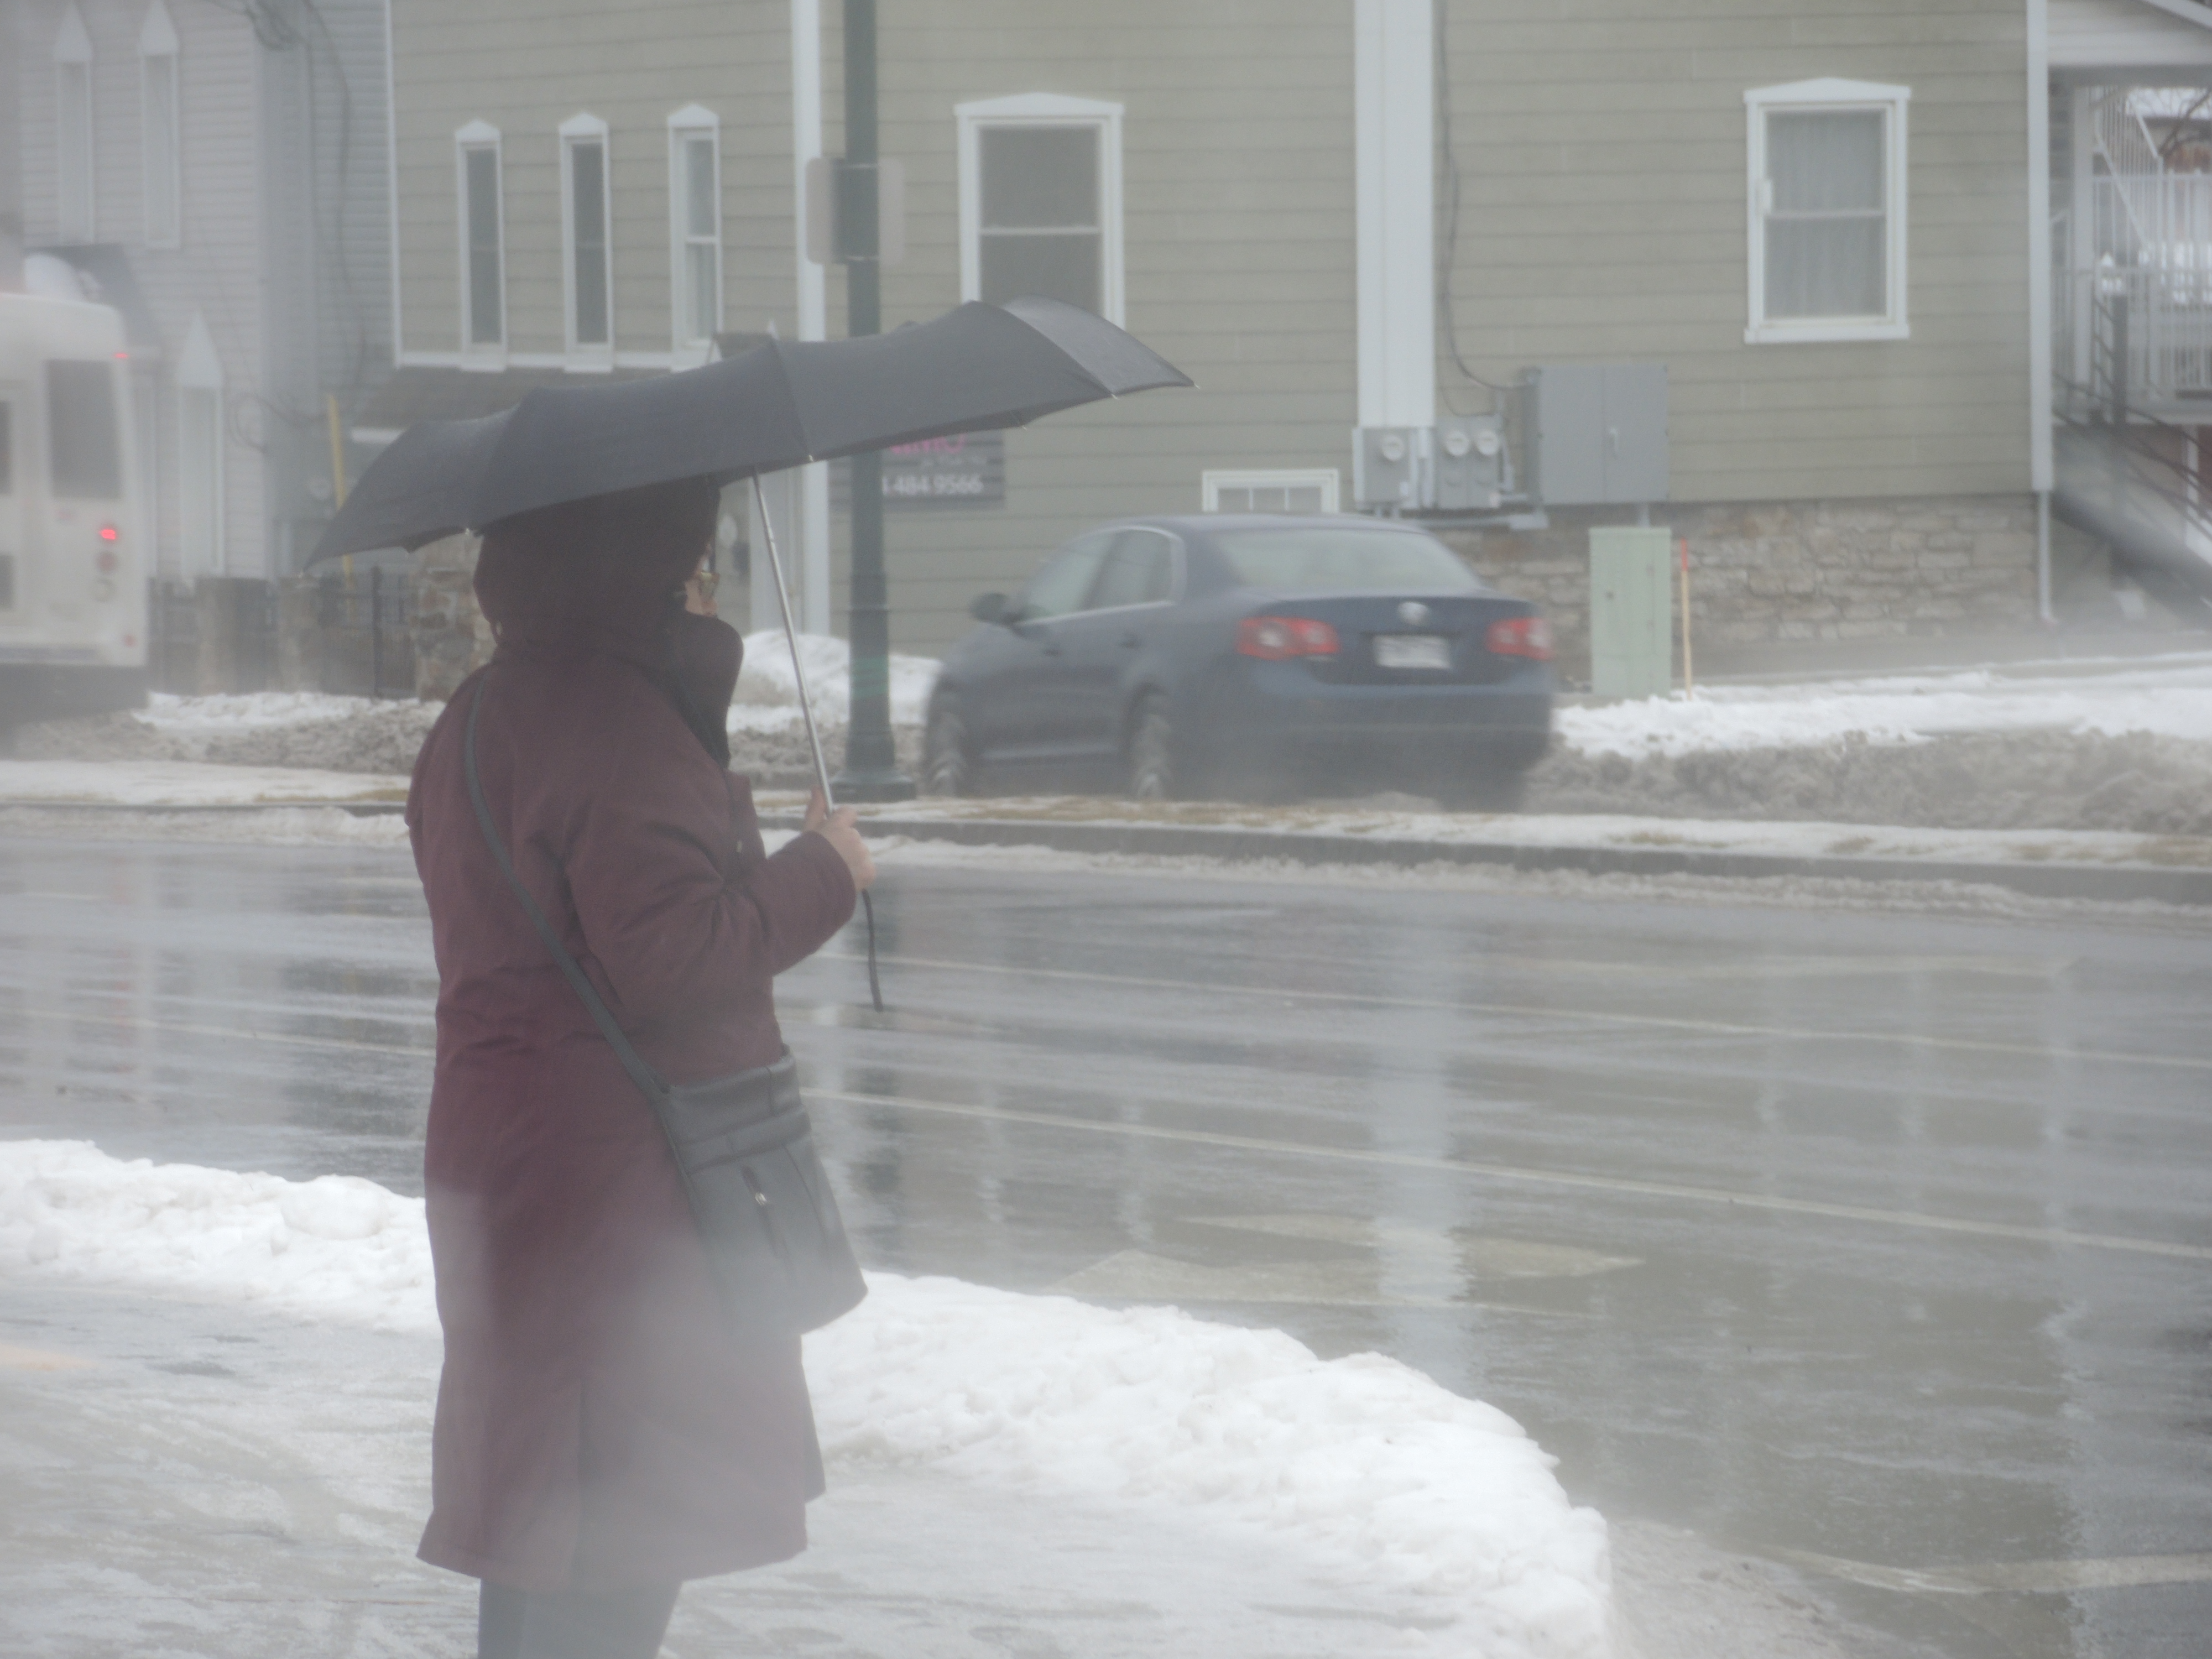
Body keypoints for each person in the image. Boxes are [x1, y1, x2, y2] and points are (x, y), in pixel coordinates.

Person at [404, 476, 874, 1658]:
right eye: (687, 558)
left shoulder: (478, 711)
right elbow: (674, 956)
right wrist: (825, 869)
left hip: (507, 1155)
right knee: (617, 1517)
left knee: (543, 1508)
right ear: (643, 573)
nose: (702, 577)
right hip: (617, 1174)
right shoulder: (615, 722)